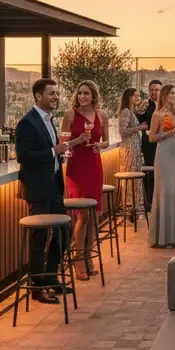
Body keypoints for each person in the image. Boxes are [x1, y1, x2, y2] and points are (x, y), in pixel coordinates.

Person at [15, 78, 88, 304]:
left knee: (63, 234)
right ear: (38, 96)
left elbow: (51, 151)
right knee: (39, 239)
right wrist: (53, 151)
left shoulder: (49, 120)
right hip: (37, 188)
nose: (56, 97)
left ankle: (51, 277)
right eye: (51, 94)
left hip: (54, 185)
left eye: (57, 93)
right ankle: (37, 288)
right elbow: (23, 156)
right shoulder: (28, 122)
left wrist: (59, 153)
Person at [60, 80, 109, 280]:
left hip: (94, 165)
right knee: (82, 215)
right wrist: (77, 141)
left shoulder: (102, 115)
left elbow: (105, 140)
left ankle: (89, 257)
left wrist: (101, 146)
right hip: (77, 168)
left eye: (86, 93)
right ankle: (78, 260)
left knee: (94, 215)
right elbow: (62, 144)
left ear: (93, 96)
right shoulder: (70, 115)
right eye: (80, 93)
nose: (82, 96)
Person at [148, 84, 175, 248]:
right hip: (164, 155)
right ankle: (164, 237)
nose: (174, 95)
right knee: (165, 192)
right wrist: (169, 133)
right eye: (172, 93)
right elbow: (152, 138)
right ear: (165, 95)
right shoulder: (157, 114)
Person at [118, 88, 148, 216]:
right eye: (135, 96)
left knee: (135, 175)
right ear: (128, 97)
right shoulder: (125, 111)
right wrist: (140, 128)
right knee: (130, 175)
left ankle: (134, 206)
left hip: (134, 148)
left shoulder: (131, 111)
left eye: (138, 96)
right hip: (129, 148)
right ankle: (129, 206)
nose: (137, 98)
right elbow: (123, 131)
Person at [137, 80, 161, 212]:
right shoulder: (146, 105)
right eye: (152, 90)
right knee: (149, 172)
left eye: (157, 90)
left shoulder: (167, 105)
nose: (154, 92)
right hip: (149, 144)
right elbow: (140, 122)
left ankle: (161, 201)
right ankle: (149, 202)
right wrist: (139, 112)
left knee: (162, 173)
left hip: (164, 143)